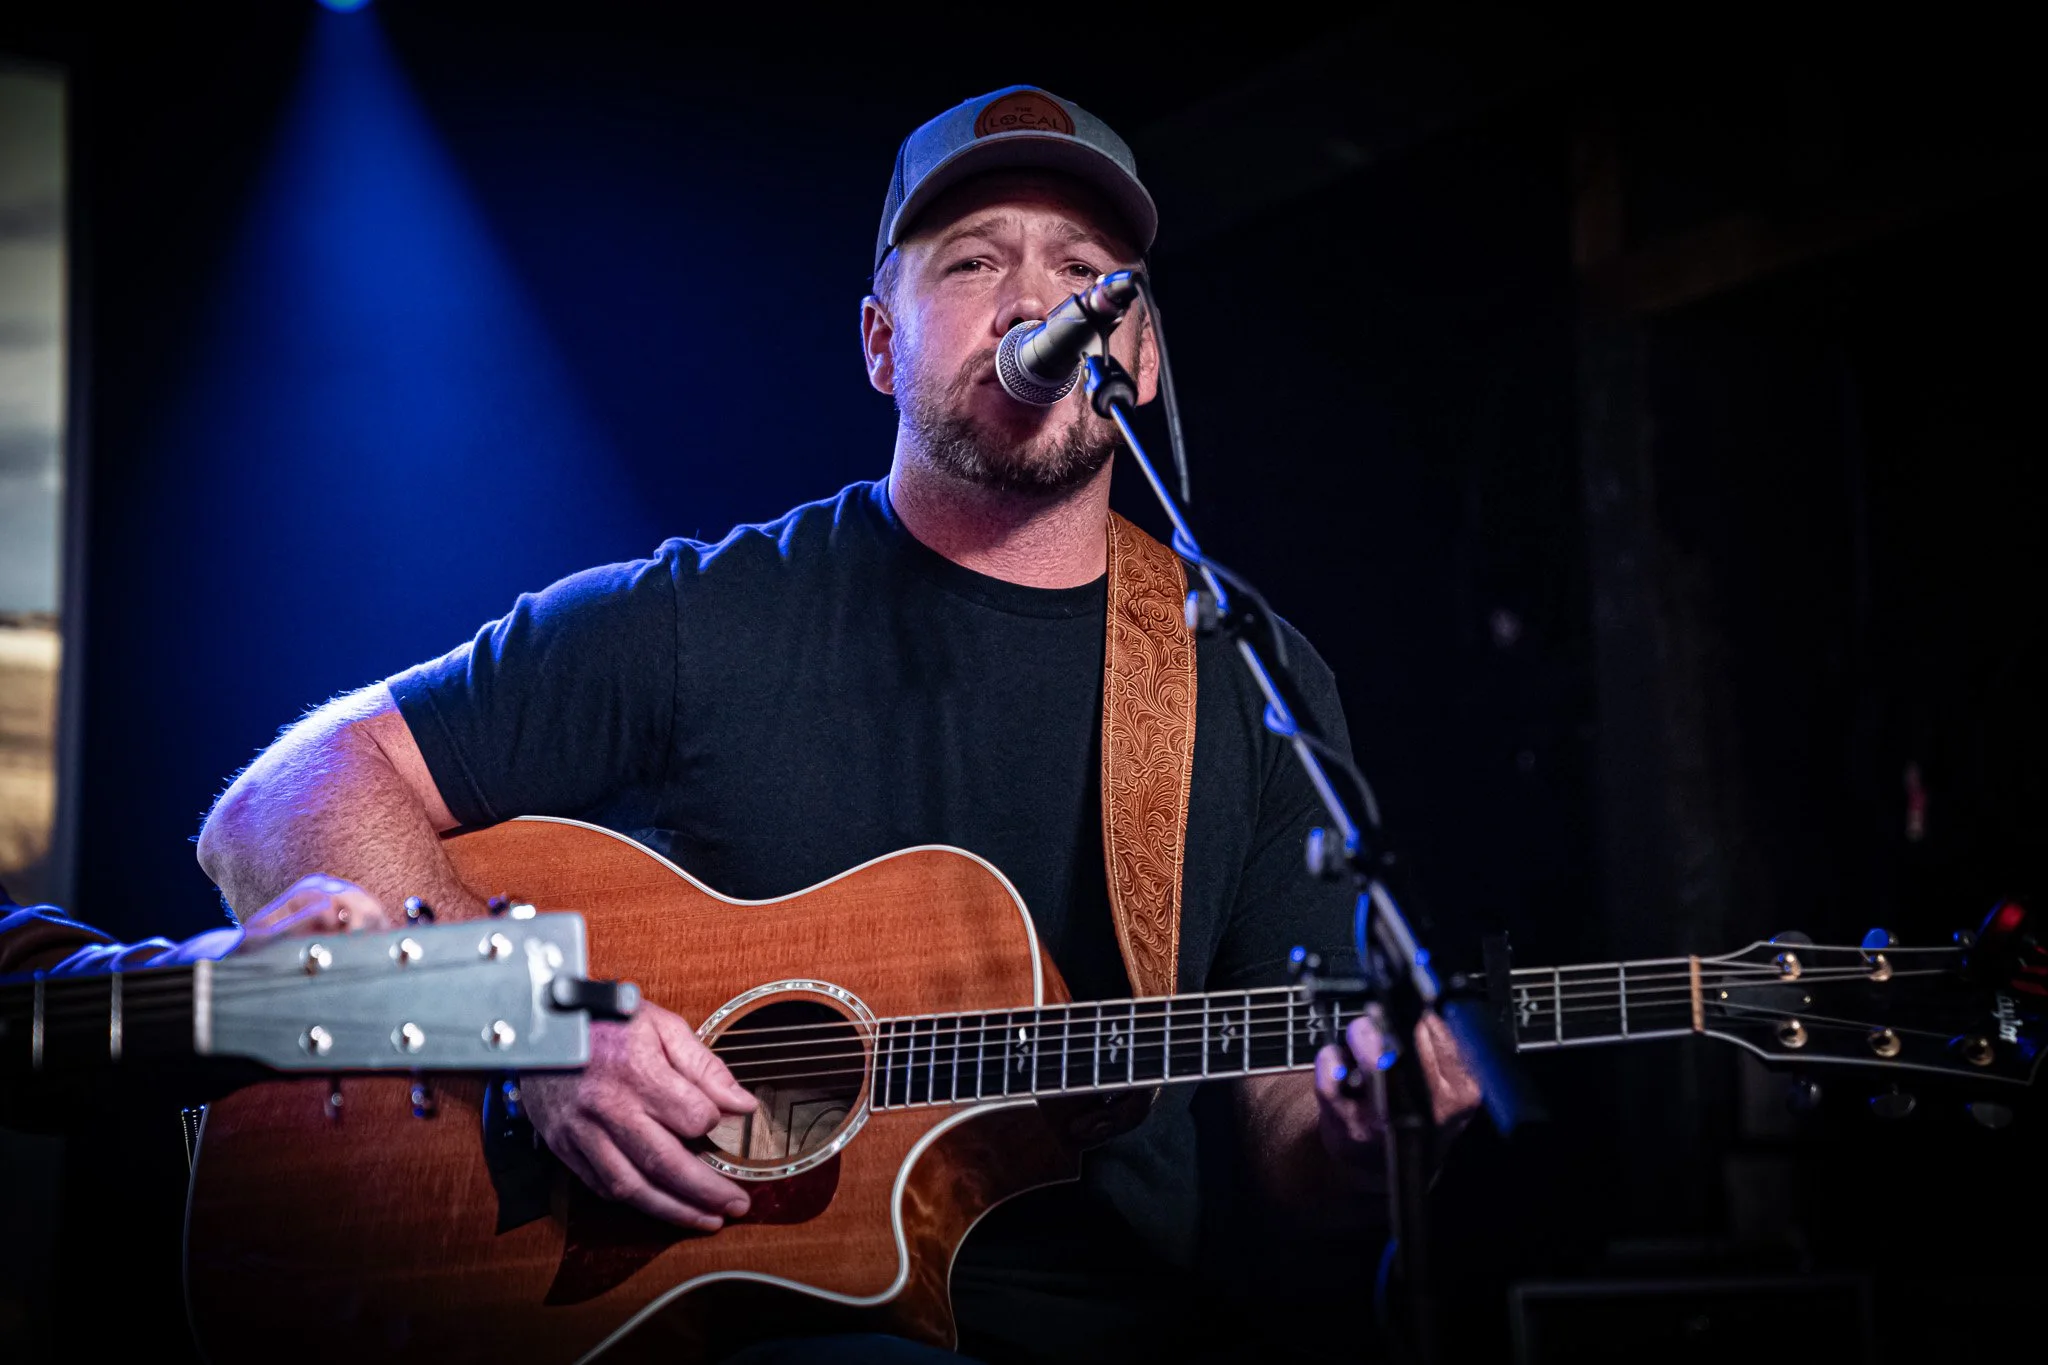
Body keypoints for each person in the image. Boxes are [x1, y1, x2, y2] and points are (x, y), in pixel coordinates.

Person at [189, 86, 1482, 1362]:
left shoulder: (1245, 675)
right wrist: (528, 1026)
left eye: (1086, 272)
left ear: (1138, 356)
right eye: (974, 261)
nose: (1034, 303)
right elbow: (280, 803)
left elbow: (1296, 1146)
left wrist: (1367, 1131)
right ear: (878, 341)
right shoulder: (702, 617)